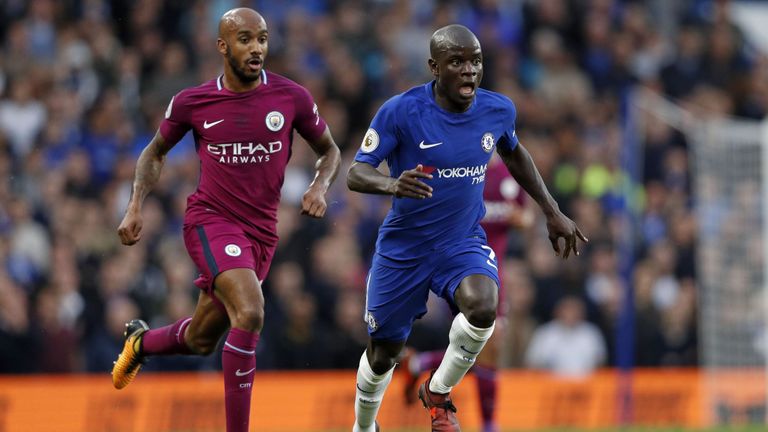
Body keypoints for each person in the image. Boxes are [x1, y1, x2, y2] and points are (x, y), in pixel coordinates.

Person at [347, 24, 587, 432]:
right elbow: (356, 172)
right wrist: (392, 183)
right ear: (434, 67)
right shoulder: (401, 111)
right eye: (457, 61)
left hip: (461, 242)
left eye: (475, 61)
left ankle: (438, 392)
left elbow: (514, 153)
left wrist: (551, 210)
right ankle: (364, 426)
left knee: (483, 307)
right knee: (384, 353)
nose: (469, 70)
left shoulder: (497, 110)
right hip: (405, 248)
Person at [110, 8, 340, 432]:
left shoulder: (291, 97)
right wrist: (135, 204)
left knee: (201, 339)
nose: (257, 49)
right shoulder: (192, 102)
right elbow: (154, 152)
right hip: (210, 221)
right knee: (250, 312)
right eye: (246, 39)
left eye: (263, 39)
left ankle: (139, 342)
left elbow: (330, 151)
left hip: (261, 235)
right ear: (223, 46)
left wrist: (319, 186)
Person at [399, 152, 534, 432]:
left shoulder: (509, 175)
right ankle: (488, 425)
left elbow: (527, 218)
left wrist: (517, 218)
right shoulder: (462, 171)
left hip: (495, 270)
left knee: (480, 348)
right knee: (487, 342)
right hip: (462, 269)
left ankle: (421, 363)